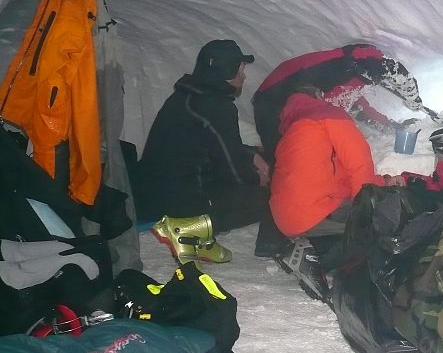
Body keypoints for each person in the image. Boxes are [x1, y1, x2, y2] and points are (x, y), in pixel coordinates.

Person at [250, 43, 420, 258]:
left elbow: (358, 108)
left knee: (297, 171)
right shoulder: (340, 66)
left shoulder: (302, 122)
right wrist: (414, 96)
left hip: (291, 218)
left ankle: (290, 238)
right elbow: (359, 165)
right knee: (380, 226)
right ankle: (283, 244)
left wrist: (389, 126)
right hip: (271, 99)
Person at [133, 40, 269, 264]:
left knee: (237, 176)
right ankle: (188, 230)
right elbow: (232, 169)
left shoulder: (188, 96)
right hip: (175, 200)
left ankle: (201, 239)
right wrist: (260, 179)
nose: (244, 76)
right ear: (227, 72)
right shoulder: (217, 107)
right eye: (241, 69)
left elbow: (213, 146)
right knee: (270, 198)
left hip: (152, 191)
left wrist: (250, 154)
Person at [268, 86, 404, 301]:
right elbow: (359, 168)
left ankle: (309, 248)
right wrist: (372, 203)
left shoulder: (296, 127)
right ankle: (315, 261)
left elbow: (337, 176)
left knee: (352, 223)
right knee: (380, 224)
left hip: (287, 216)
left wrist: (384, 182)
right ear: (318, 96)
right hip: (312, 211)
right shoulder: (329, 115)